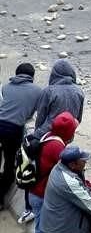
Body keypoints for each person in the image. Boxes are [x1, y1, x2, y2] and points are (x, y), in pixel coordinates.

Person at [25, 112, 77, 233]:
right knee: (41, 231)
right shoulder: (57, 147)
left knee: (40, 229)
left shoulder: (49, 136)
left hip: (34, 192)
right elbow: (69, 170)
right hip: (41, 195)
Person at [0, 63, 42, 219]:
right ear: (32, 77)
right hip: (13, 130)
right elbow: (36, 114)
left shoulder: (5, 87)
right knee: (11, 165)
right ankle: (0, 198)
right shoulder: (38, 91)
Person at [33, 59, 84, 138]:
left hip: (48, 133)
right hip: (68, 134)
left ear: (54, 74)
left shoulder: (48, 91)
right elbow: (78, 119)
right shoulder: (79, 92)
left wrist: (36, 136)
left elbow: (41, 117)